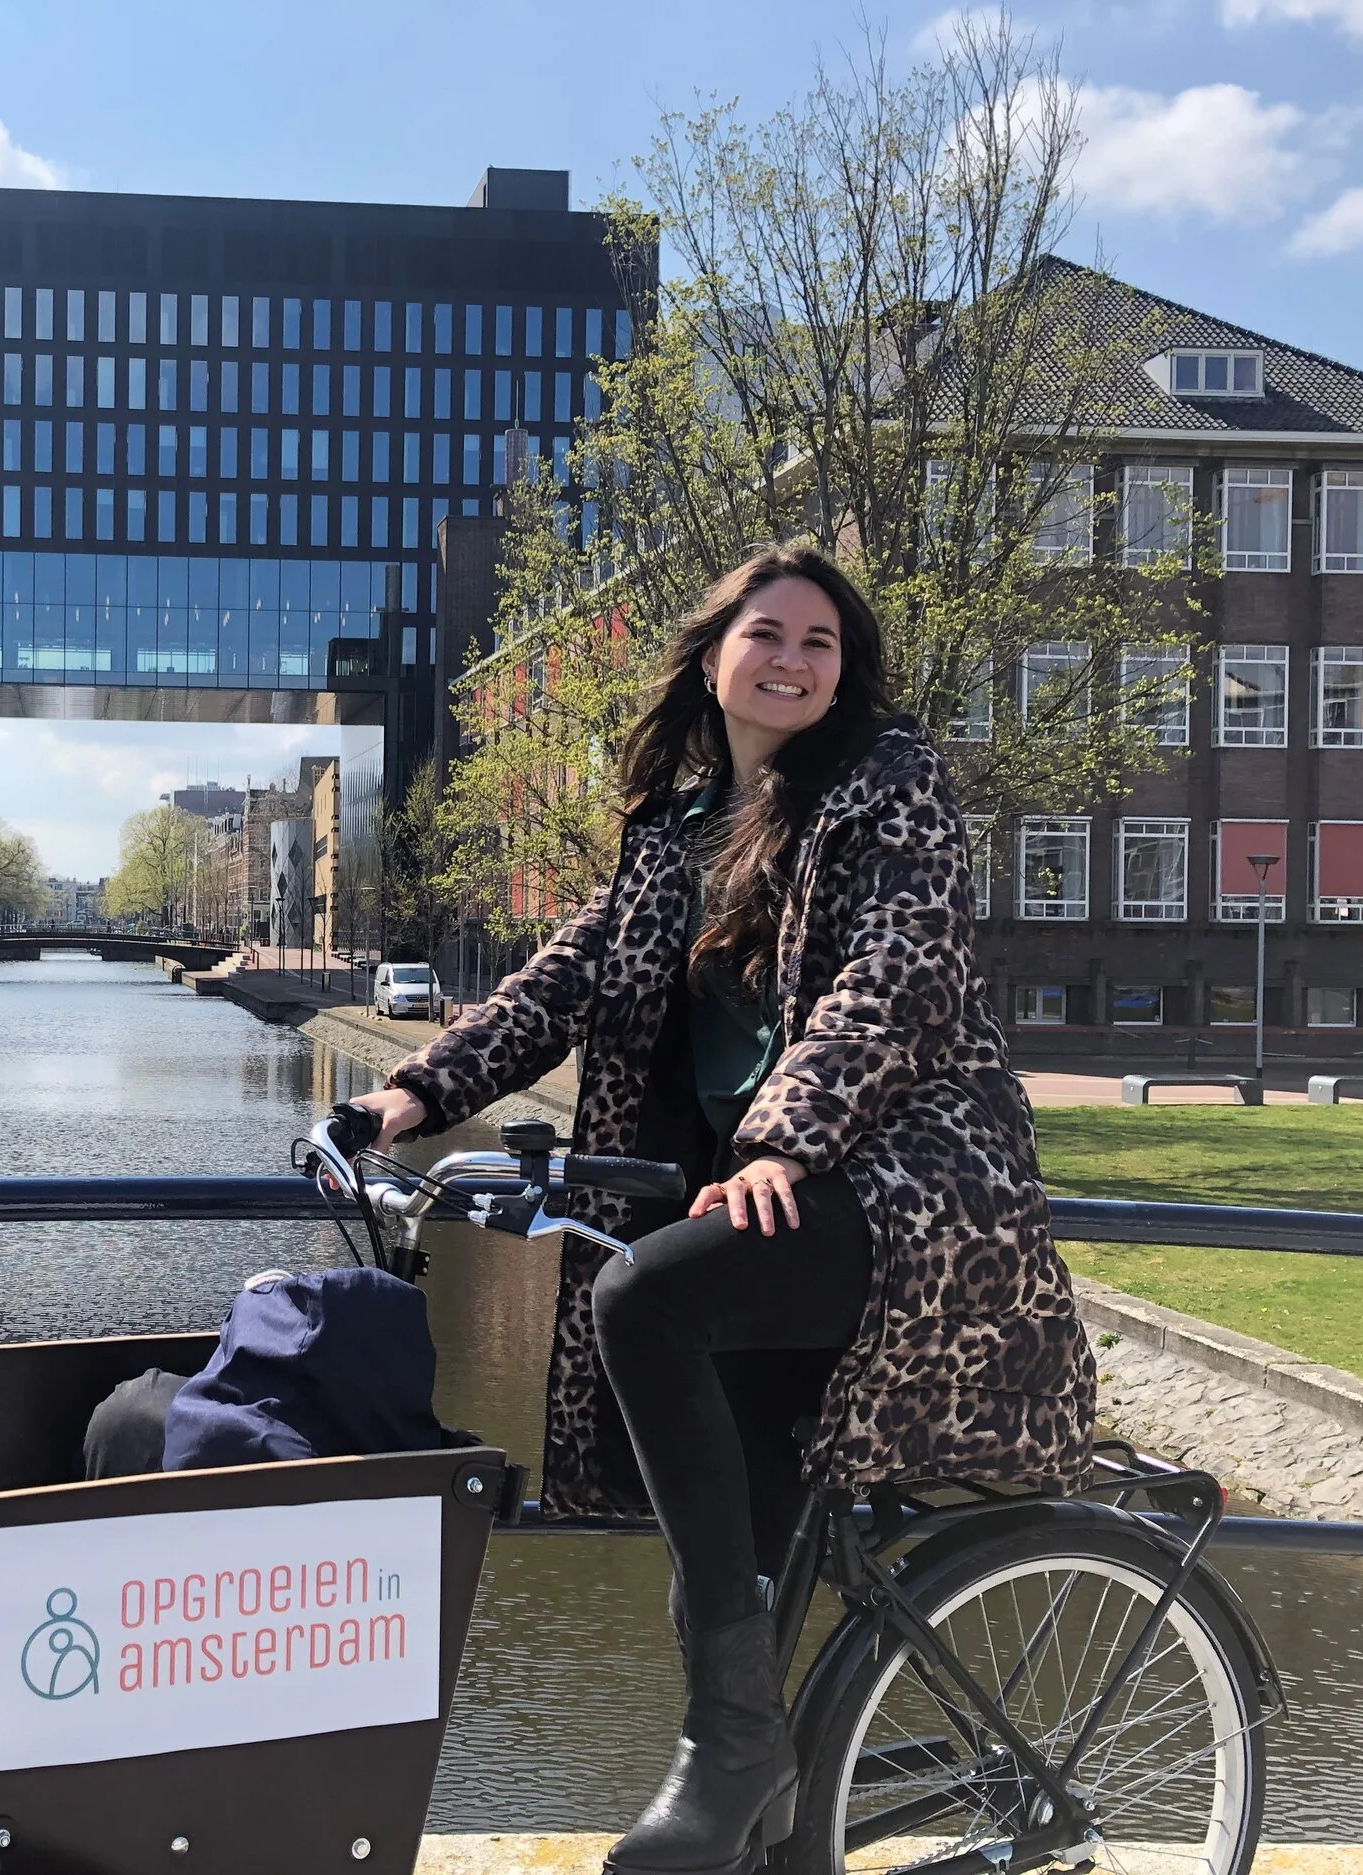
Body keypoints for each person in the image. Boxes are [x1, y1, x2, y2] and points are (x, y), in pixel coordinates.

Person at [345, 541, 1095, 1875]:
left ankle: (733, 1745)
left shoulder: (891, 784)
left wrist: (785, 1139)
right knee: (744, 1522)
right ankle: (766, 1809)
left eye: (821, 641)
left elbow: (894, 975)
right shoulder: (678, 827)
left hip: (904, 1185)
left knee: (645, 1297)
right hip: (756, 1190)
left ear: (845, 671)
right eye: (768, 635)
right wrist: (413, 1091)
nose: (793, 660)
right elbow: (563, 979)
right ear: (711, 658)